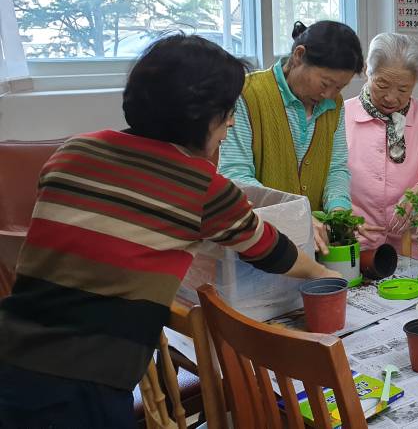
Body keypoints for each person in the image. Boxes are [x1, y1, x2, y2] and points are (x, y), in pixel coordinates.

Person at [0, 35, 341, 428]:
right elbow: (269, 250)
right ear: (200, 115)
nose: (232, 122)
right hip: (88, 378)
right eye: (228, 111)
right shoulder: (201, 188)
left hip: (14, 348)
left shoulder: (73, 152)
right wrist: (321, 274)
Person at [219, 20, 364, 254]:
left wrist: (339, 211)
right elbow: (236, 175)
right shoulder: (247, 94)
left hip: (314, 245)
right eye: (325, 83)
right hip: (260, 242)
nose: (329, 95)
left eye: (340, 88)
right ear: (298, 55)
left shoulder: (333, 105)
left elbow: (335, 168)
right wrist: (294, 217)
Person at [344, 33, 418, 253]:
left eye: (403, 90)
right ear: (368, 71)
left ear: (415, 82)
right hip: (356, 237)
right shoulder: (341, 115)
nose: (391, 98)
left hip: (412, 239)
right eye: (382, 85)